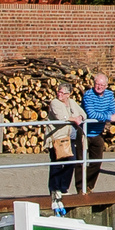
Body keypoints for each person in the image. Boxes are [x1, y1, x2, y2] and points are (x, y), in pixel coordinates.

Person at [46, 83, 85, 214]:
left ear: (68, 94)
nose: (59, 94)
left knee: (71, 162)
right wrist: (74, 118)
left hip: (70, 139)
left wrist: (79, 117)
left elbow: (83, 113)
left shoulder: (72, 102)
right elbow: (60, 117)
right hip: (58, 138)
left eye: (62, 93)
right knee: (57, 164)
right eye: (58, 92)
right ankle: (54, 189)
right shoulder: (55, 103)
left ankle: (63, 188)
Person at [81, 73, 115, 188]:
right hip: (83, 133)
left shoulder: (110, 95)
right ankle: (80, 188)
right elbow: (91, 114)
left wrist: (105, 116)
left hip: (97, 133)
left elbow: (112, 110)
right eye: (97, 84)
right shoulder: (88, 95)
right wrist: (107, 117)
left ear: (106, 86)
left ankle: (88, 186)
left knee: (96, 162)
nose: (99, 86)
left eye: (102, 84)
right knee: (80, 163)